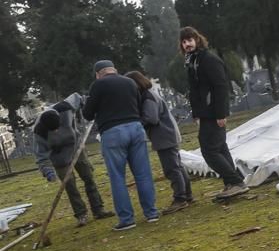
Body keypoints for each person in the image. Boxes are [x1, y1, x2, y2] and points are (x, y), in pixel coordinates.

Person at [81, 60, 159, 230]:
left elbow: (88, 114)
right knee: (143, 174)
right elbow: (138, 104)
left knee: (117, 177)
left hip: (113, 132)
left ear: (98, 73)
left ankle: (127, 219)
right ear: (114, 70)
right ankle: (151, 213)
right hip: (136, 128)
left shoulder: (98, 85)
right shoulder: (130, 82)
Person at [180, 26, 248, 199]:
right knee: (220, 148)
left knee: (209, 151)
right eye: (184, 41)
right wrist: (196, 112)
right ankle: (232, 183)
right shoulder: (192, 61)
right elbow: (195, 89)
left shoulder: (208, 59)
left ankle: (236, 182)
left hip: (213, 112)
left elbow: (220, 86)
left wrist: (220, 113)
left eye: (190, 40)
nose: (187, 44)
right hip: (205, 113)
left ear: (197, 39)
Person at [32, 94, 115, 227]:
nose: (57, 130)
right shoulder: (39, 132)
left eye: (58, 127)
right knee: (70, 186)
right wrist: (48, 172)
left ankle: (98, 210)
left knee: (89, 178)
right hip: (59, 157)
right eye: (54, 130)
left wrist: (86, 105)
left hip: (76, 148)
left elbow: (78, 97)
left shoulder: (65, 107)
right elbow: (41, 156)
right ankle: (81, 215)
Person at [126, 70, 193, 213]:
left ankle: (180, 199)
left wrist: (135, 123)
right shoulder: (148, 95)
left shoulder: (148, 97)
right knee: (178, 166)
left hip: (164, 136)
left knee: (172, 169)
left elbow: (151, 118)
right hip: (167, 134)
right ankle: (187, 195)